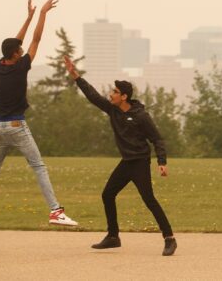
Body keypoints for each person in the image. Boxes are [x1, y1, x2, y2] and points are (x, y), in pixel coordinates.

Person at [0, 0, 78, 230]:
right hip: (16, 126)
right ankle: (55, 211)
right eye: (19, 50)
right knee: (39, 167)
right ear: (15, 54)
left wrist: (28, 17)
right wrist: (41, 14)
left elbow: (15, 41)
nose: (22, 50)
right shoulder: (22, 66)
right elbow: (36, 38)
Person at [65, 56, 177, 256]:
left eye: (115, 92)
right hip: (126, 163)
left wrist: (162, 162)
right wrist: (76, 76)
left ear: (124, 96)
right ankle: (113, 237)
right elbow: (93, 96)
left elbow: (157, 139)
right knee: (107, 194)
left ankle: (169, 238)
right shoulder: (113, 110)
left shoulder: (141, 116)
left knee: (149, 199)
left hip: (140, 162)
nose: (110, 94)